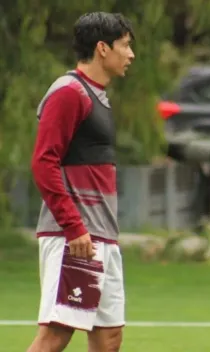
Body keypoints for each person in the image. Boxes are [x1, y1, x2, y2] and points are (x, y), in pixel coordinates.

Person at [28, 12, 135, 352]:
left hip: (101, 236)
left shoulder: (97, 95)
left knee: (109, 337)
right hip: (78, 238)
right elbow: (43, 162)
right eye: (125, 46)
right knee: (58, 333)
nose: (131, 55)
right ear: (103, 48)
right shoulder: (69, 92)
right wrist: (74, 227)